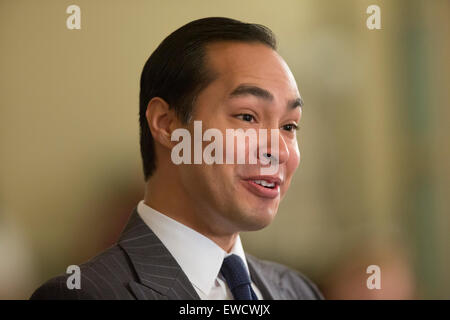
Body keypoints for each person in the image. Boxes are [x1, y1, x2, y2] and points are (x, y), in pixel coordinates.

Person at [30, 17, 323, 300]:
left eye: (289, 126)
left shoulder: (299, 291)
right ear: (167, 124)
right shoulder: (86, 294)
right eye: (247, 117)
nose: (279, 151)